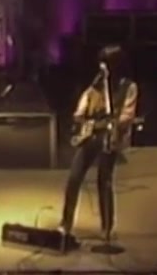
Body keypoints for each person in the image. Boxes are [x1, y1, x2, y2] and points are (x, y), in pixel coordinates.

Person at [58, 45, 138, 247]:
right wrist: (84, 118)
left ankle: (107, 227)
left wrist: (111, 124)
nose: (103, 68)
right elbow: (80, 111)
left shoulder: (129, 87)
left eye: (107, 64)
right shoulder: (95, 86)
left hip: (110, 138)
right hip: (91, 137)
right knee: (74, 178)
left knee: (104, 181)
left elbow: (127, 116)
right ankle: (66, 223)